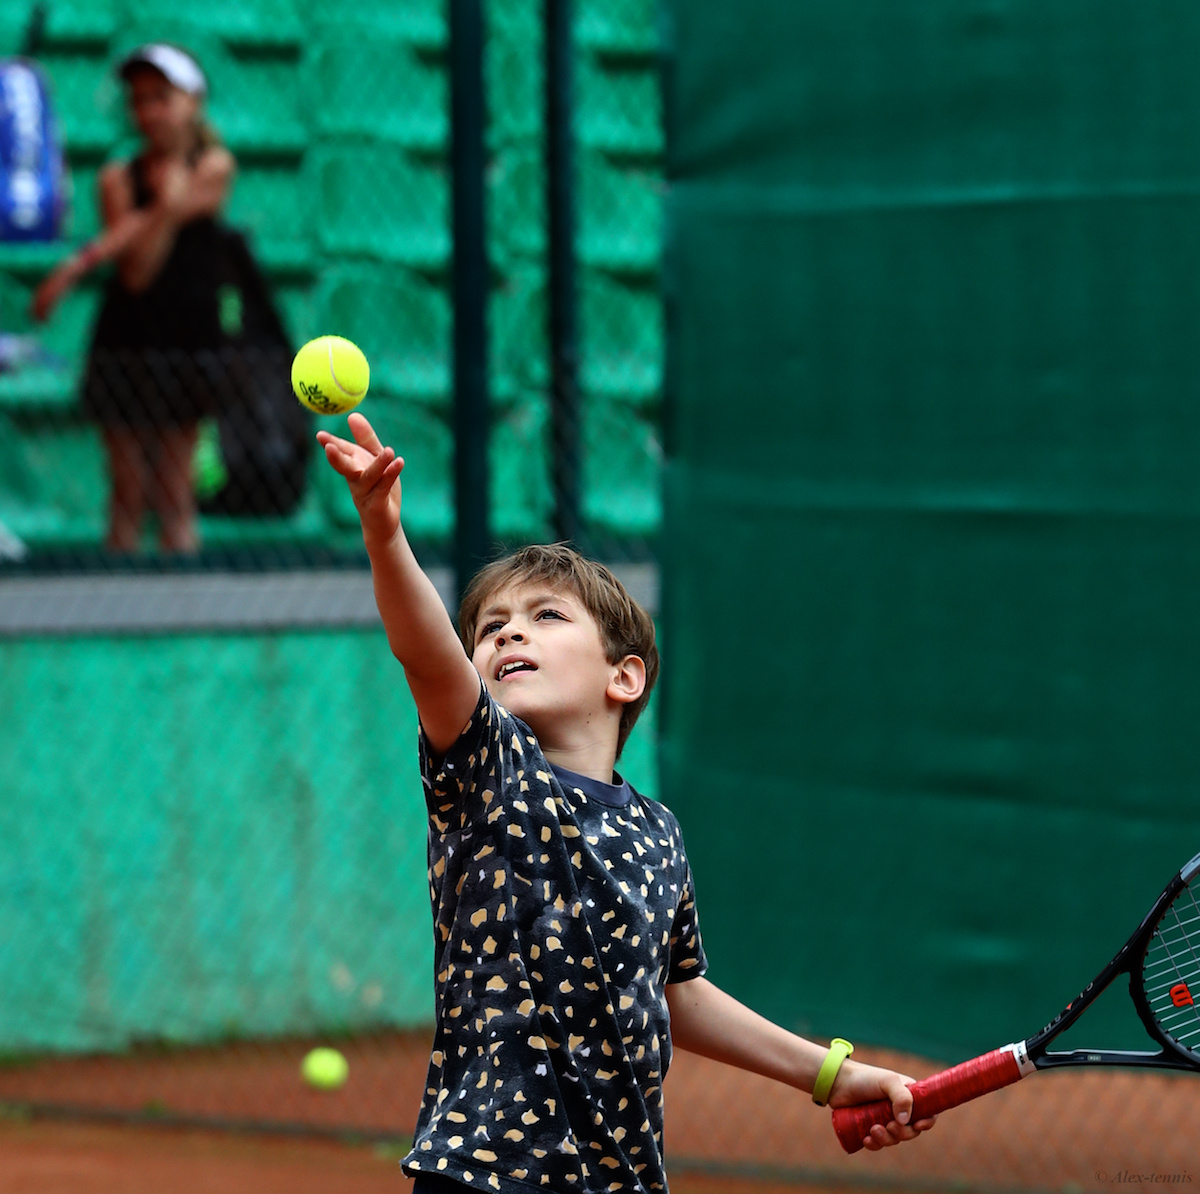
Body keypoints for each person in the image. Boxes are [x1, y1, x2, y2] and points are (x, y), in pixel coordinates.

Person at [318, 413, 937, 1192]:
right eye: (490, 628)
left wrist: (831, 1074)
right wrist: (384, 534)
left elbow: (676, 992)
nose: (507, 635)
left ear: (626, 676)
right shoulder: (488, 774)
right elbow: (427, 655)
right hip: (484, 1175)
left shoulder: (657, 831)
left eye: (545, 616)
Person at [32, 43, 235, 553]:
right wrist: (165, 206)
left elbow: (141, 236)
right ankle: (116, 594)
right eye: (139, 100)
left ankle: (183, 597)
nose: (148, 111)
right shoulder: (116, 178)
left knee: (175, 493)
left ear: (193, 102)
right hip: (126, 340)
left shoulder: (215, 165)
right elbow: (139, 273)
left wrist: (78, 264)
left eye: (162, 97)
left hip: (188, 339)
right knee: (126, 492)